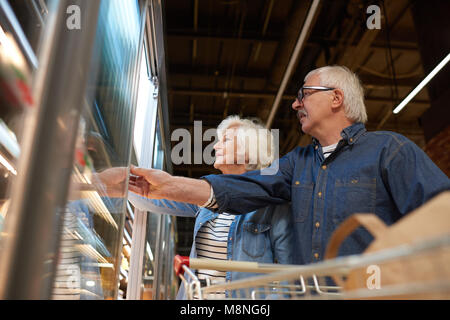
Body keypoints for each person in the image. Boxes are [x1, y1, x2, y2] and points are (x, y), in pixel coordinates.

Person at [128, 65, 450, 268]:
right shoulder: (297, 163)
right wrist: (164, 184)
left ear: (336, 98)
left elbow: (440, 214)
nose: (296, 103)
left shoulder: (389, 151)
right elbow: (245, 186)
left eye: (304, 94)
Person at [107, 116, 294, 299]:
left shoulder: (274, 207)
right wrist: (110, 182)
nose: (215, 146)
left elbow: (291, 279)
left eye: (225, 140)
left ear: (249, 152)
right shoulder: (206, 197)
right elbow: (149, 198)